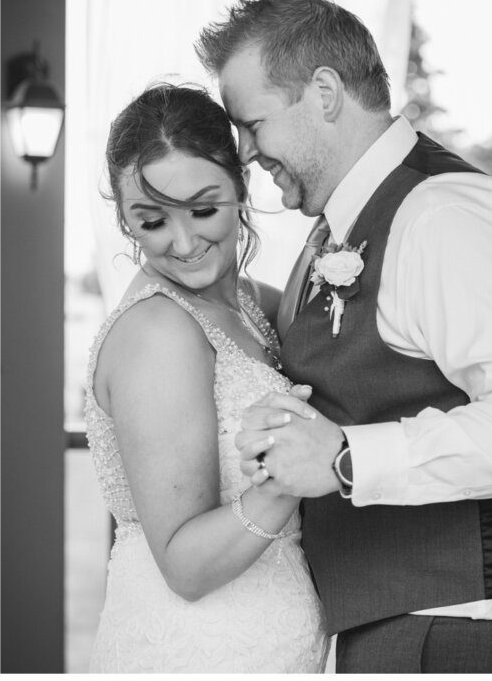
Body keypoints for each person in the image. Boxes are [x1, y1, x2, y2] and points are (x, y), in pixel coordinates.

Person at [195, 0, 492, 674]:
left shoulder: (438, 215)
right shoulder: (338, 226)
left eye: (253, 124)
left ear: (325, 92)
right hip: (388, 623)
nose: (245, 153)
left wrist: (344, 459)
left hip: (453, 630)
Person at [85, 84, 327, 672]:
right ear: (126, 221)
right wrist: (287, 476)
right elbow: (185, 567)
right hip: (198, 647)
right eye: (152, 221)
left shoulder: (250, 304)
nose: (185, 242)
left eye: (203, 208)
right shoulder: (157, 333)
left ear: (241, 186)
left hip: (278, 637)